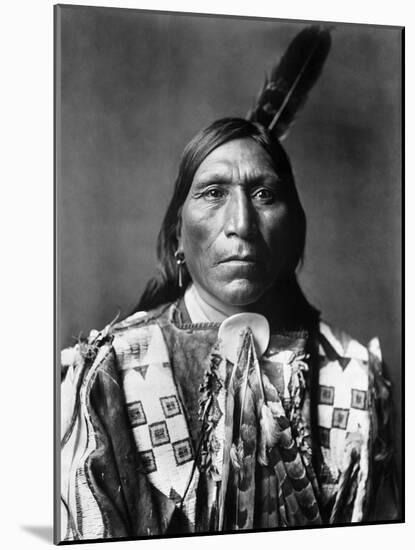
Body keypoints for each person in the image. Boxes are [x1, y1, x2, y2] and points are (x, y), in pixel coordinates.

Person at [59, 28, 399, 543]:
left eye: (264, 194)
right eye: (213, 193)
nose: (241, 221)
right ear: (178, 236)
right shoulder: (112, 375)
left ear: (293, 231)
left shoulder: (352, 379)